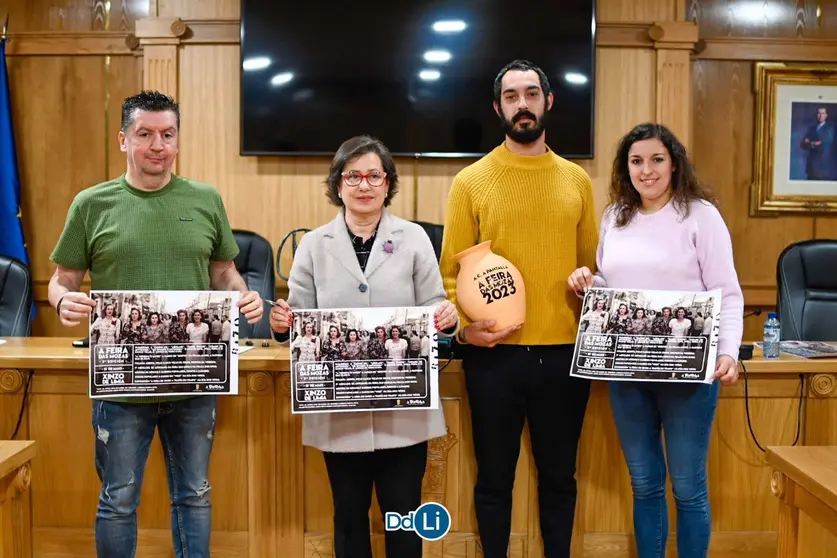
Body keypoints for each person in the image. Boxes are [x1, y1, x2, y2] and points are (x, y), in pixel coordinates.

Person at [47, 90, 264, 558]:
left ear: (178, 141)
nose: (157, 145)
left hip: (194, 382)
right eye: (145, 134)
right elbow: (61, 280)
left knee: (195, 496)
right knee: (118, 499)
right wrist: (63, 300)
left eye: (167, 134)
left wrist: (243, 295)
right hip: (121, 385)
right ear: (123, 139)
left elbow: (223, 272)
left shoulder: (206, 199)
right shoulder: (91, 204)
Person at [269, 135, 459, 558]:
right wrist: (282, 325)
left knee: (403, 515)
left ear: (388, 183)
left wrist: (446, 316)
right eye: (353, 175)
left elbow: (434, 305)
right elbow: (299, 318)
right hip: (340, 410)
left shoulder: (413, 238)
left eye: (374, 175)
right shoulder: (315, 245)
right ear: (338, 184)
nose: (364, 184)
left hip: (404, 407)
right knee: (349, 515)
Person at [438, 59, 598, 558]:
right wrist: (467, 329)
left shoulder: (578, 181)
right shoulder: (471, 181)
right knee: (492, 482)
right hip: (494, 358)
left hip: (565, 355)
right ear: (497, 107)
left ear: (548, 102)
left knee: (559, 479)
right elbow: (449, 275)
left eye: (531, 93)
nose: (522, 104)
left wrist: (590, 282)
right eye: (511, 96)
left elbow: (594, 267)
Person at [567, 122, 743, 558]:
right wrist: (590, 281)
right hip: (627, 371)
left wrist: (728, 353)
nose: (646, 171)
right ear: (625, 168)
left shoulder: (701, 216)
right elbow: (616, 285)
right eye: (636, 161)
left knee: (687, 487)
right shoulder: (615, 217)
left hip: (688, 372)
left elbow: (728, 292)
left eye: (656, 160)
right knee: (644, 485)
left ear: (674, 163)